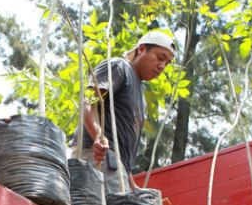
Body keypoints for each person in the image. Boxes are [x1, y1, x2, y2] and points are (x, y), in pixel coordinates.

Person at [74, 30, 176, 194]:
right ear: (141, 49)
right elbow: (88, 101)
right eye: (160, 57)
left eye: (168, 63)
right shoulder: (119, 67)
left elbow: (123, 143)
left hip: (116, 166)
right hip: (97, 156)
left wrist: (130, 183)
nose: (162, 66)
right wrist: (98, 135)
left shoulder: (139, 92)